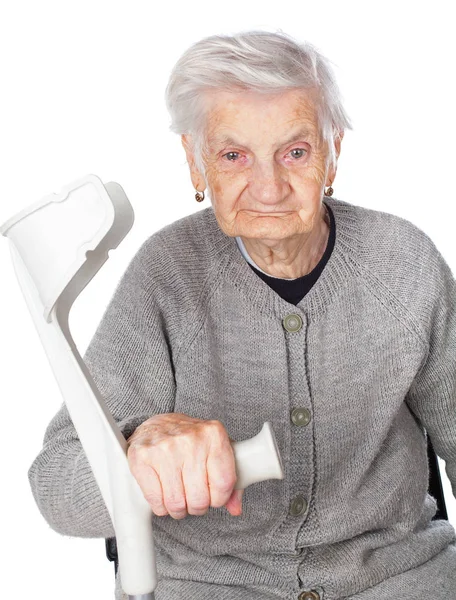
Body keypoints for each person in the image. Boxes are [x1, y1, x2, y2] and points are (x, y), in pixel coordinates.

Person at [28, 30, 456, 600]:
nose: (269, 187)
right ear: (195, 163)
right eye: (234, 156)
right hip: (211, 584)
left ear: (333, 150)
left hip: (397, 578)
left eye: (295, 152)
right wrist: (138, 448)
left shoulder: (404, 264)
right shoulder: (168, 274)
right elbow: (57, 483)